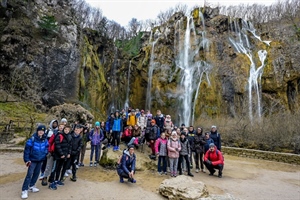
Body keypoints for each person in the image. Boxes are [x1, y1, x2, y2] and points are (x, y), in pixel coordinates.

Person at [21, 125, 48, 199]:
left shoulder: (45, 139)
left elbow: (46, 147)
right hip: (32, 160)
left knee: (36, 173)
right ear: (37, 131)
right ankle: (24, 190)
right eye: (40, 130)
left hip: (40, 160)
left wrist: (45, 153)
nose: (41, 132)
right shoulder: (32, 139)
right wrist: (27, 160)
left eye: (42, 131)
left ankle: (32, 185)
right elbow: (26, 151)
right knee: (29, 174)